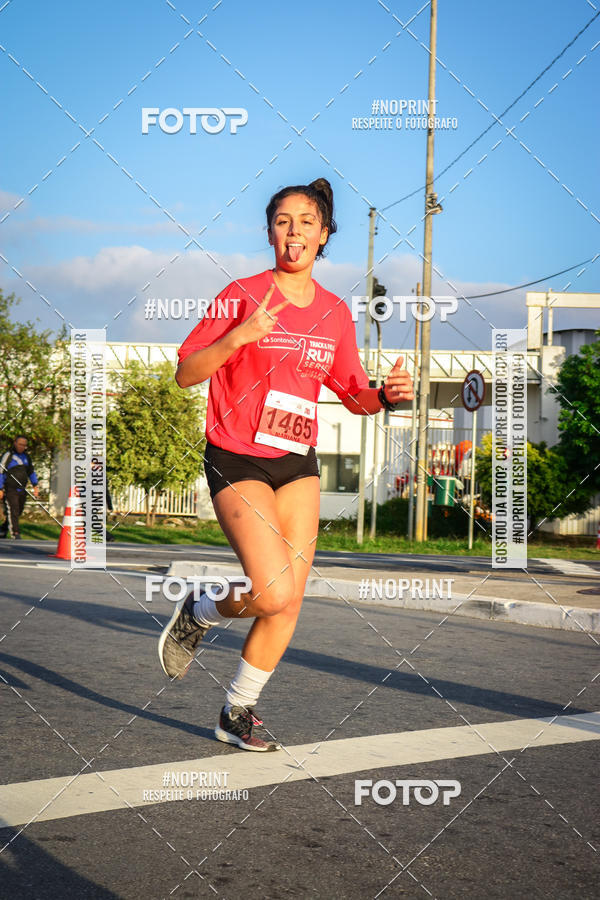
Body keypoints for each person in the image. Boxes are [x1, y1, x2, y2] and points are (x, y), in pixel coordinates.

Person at [158, 178, 413, 751]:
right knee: (270, 592)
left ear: (323, 235)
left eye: (305, 221)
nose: (293, 230)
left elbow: (353, 395)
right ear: (270, 232)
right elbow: (187, 371)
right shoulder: (240, 294)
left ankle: (237, 710)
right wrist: (239, 337)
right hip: (236, 454)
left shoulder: (333, 313)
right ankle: (200, 607)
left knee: (291, 597)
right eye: (282, 221)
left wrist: (388, 395)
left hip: (297, 461)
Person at [0, 435, 39, 540]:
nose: (22, 447)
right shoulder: (8, 455)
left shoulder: (26, 457)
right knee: (13, 510)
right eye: (20, 444)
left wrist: (35, 485)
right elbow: (1, 472)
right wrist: (0, 488)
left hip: (22, 489)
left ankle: (3, 530)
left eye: (24, 445)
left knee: (18, 511)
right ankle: (15, 533)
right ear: (15, 443)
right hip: (10, 489)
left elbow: (31, 472)